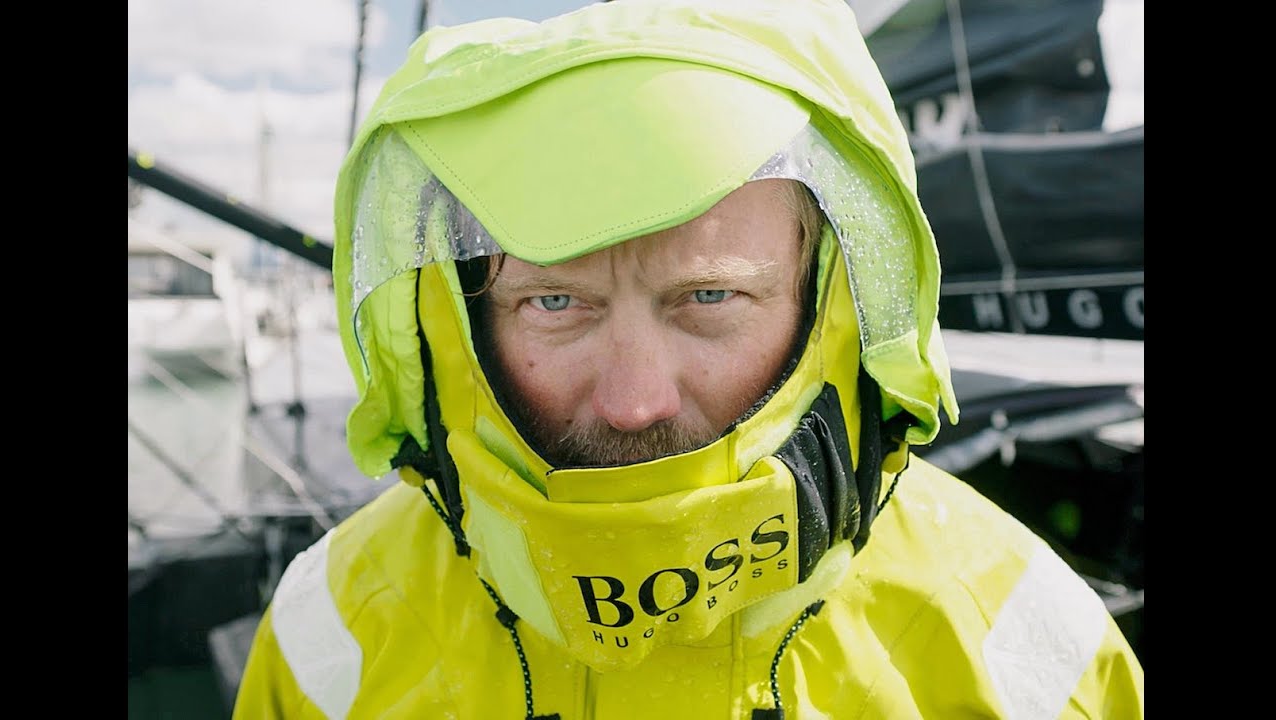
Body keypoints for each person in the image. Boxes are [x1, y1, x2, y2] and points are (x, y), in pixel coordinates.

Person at [233, 0, 1145, 717]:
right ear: (461, 320)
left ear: (828, 299)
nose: (635, 401)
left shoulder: (1025, 649)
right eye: (554, 303)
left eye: (710, 298)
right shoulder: (332, 628)